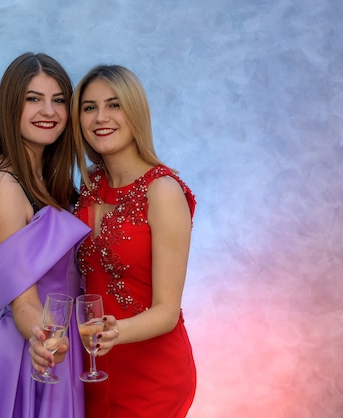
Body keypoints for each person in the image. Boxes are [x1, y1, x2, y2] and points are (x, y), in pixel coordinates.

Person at [0, 52, 90, 418]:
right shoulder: (1, 186)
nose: (49, 111)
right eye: (33, 99)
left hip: (63, 344)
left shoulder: (51, 181)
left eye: (58, 100)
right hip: (29, 352)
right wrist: (43, 338)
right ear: (10, 107)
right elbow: (23, 301)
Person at [71, 65, 197, 417]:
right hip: (93, 373)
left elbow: (167, 312)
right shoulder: (90, 187)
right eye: (89, 107)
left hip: (151, 375)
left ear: (135, 112)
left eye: (114, 105)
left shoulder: (164, 191)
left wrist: (115, 332)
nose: (101, 117)